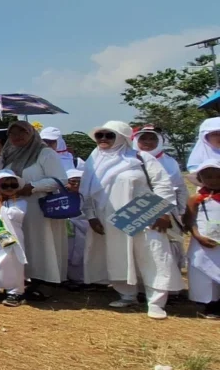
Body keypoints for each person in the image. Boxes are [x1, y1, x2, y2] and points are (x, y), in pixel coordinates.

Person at [81, 121, 183, 319]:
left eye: (109, 135)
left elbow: (162, 184)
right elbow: (86, 194)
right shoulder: (93, 161)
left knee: (153, 255)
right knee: (117, 255)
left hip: (145, 214)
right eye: (99, 135)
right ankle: (127, 294)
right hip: (109, 219)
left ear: (122, 137)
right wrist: (91, 216)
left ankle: (156, 302)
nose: (103, 139)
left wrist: (163, 212)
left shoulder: (140, 158)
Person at [2, 121, 69, 297]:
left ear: (32, 133)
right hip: (17, 207)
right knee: (25, 243)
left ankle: (47, 282)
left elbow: (60, 180)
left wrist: (32, 187)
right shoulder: (9, 154)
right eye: (12, 133)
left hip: (39, 207)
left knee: (42, 243)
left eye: (22, 132)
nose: (17, 137)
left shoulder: (44, 153)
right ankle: (28, 279)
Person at [134, 127, 188, 270]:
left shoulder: (170, 162)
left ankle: (172, 283)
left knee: (170, 243)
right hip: (137, 209)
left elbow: (180, 188)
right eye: (143, 138)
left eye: (152, 139)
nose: (148, 142)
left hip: (168, 210)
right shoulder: (129, 160)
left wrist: (182, 212)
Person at [0, 170, 28, 307]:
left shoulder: (21, 202)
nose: (9, 188)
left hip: (14, 237)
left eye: (13, 185)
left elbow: (13, 216)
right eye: (5, 185)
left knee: (14, 264)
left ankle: (15, 291)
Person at [184, 161, 220, 319]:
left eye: (217, 177)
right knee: (202, 272)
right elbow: (189, 221)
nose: (213, 180)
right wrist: (197, 236)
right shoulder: (196, 199)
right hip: (202, 242)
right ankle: (207, 305)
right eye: (208, 176)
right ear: (200, 178)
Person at [65, 170, 89, 288]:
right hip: (66, 231)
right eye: (73, 181)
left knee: (82, 254)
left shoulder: (88, 196)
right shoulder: (61, 195)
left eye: (79, 182)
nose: (76, 184)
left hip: (83, 230)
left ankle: (82, 280)